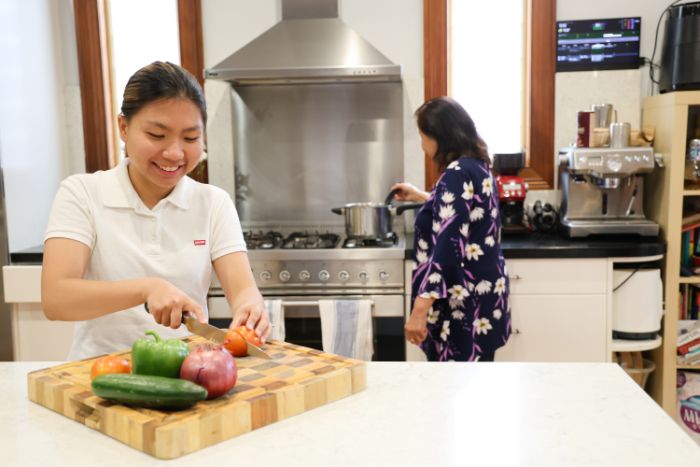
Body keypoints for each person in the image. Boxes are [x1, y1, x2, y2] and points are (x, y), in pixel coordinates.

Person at [41, 61, 269, 360]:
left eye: (190, 138)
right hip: (102, 372)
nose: (174, 153)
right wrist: (146, 289)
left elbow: (243, 291)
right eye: (157, 135)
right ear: (124, 128)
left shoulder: (214, 203)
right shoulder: (82, 193)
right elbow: (56, 299)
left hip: (188, 371)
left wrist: (250, 309)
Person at [392, 96, 510, 361]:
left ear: (439, 137)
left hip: (460, 303)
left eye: (422, 137)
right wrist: (420, 196)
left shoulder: (455, 173)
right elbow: (465, 213)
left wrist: (420, 309)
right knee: (474, 377)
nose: (422, 145)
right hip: (483, 296)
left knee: (454, 383)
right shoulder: (477, 165)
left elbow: (448, 248)